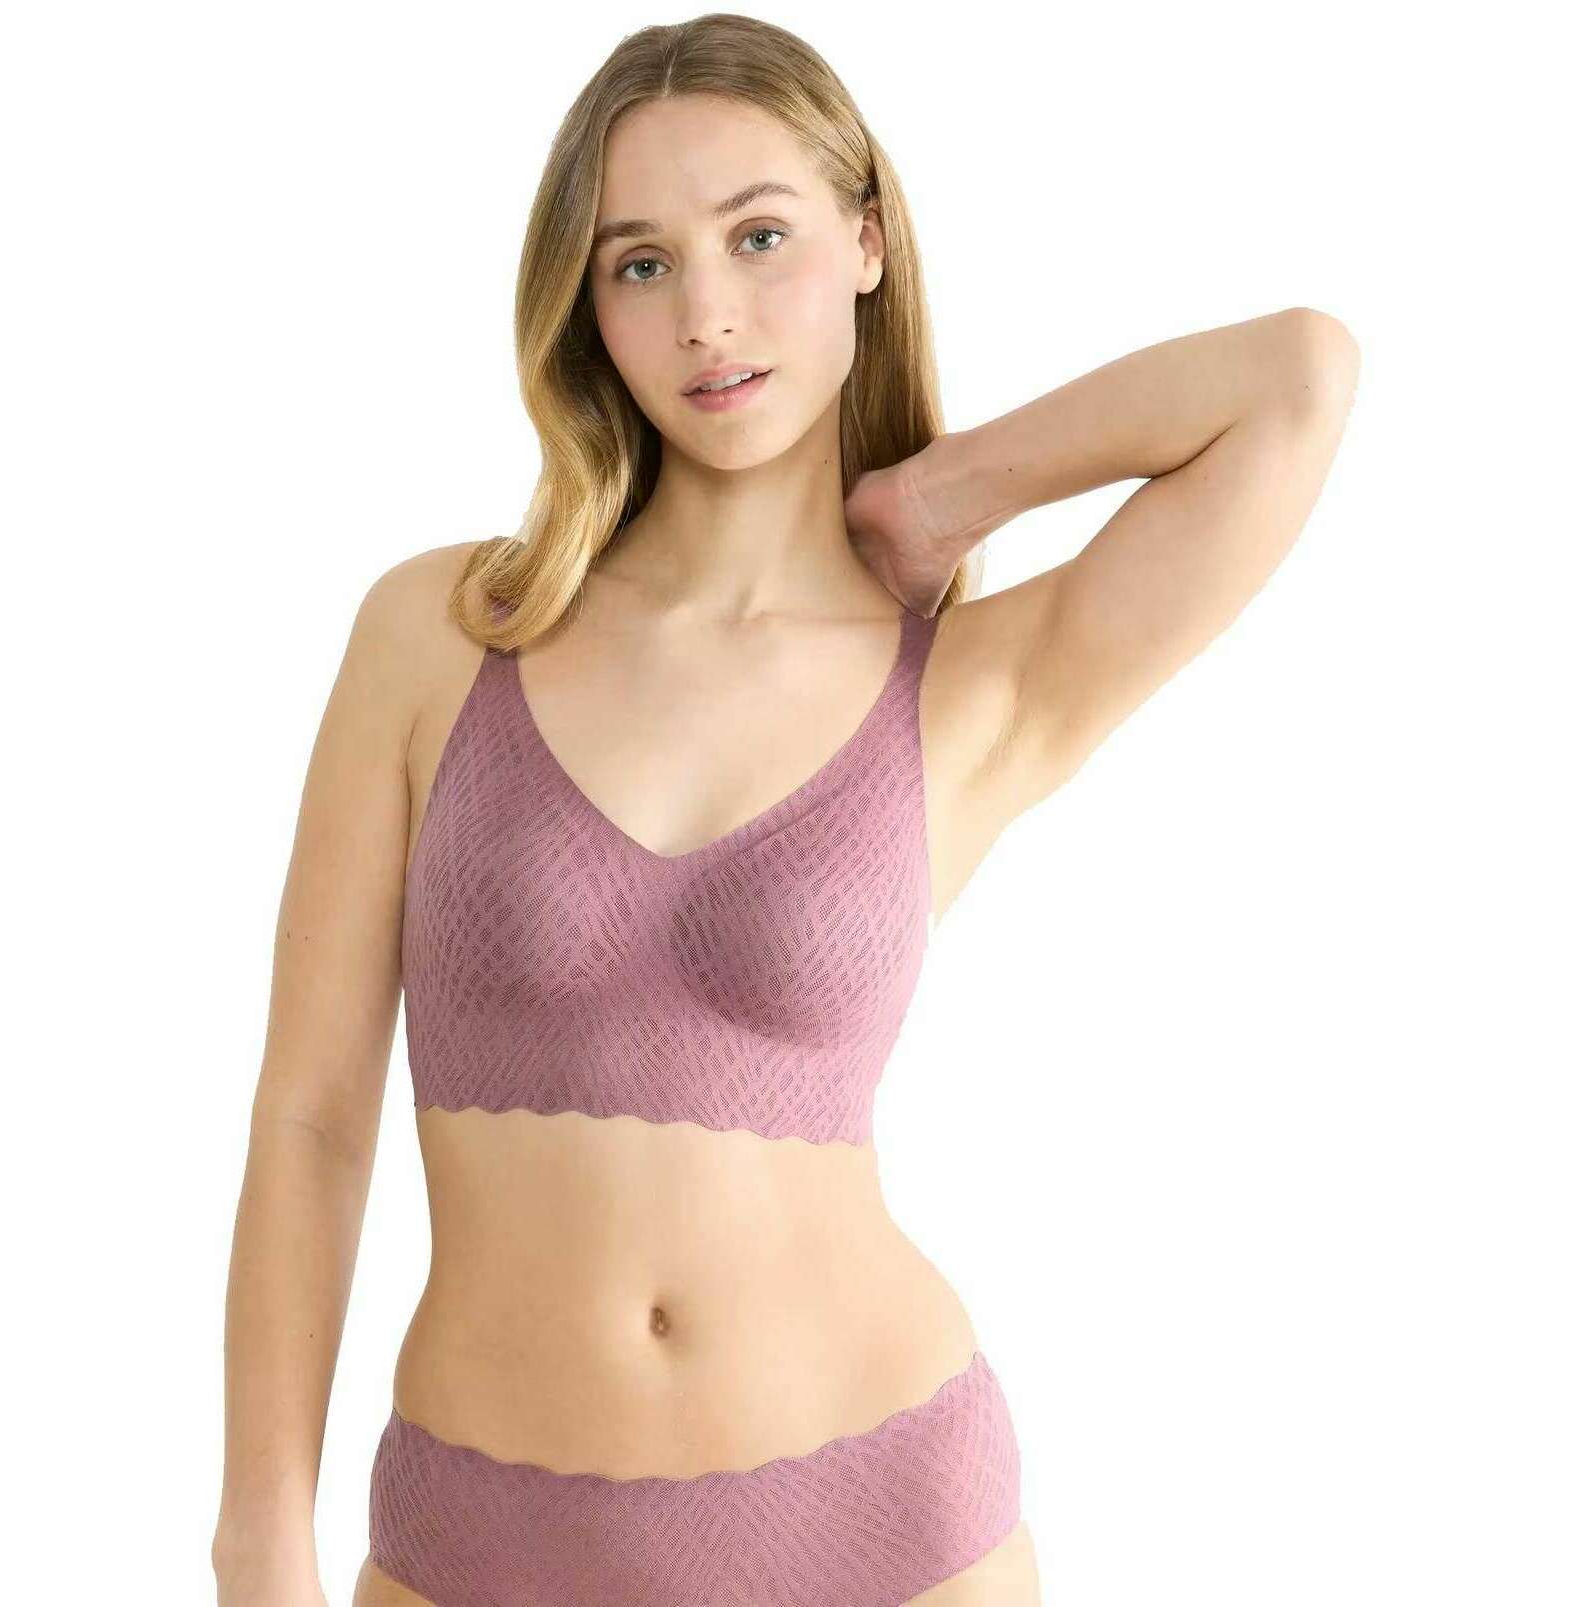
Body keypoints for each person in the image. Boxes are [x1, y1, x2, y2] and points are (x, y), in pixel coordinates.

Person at [212, 16, 1358, 1607]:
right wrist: (259, 1537)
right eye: (641, 264)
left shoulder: (964, 686)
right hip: (478, 1536)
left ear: (867, 240)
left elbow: (1298, 378)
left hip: (880, 1521)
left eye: (761, 236)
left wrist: (942, 493)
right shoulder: (444, 632)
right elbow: (312, 1117)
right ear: (585, 308)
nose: (709, 314)